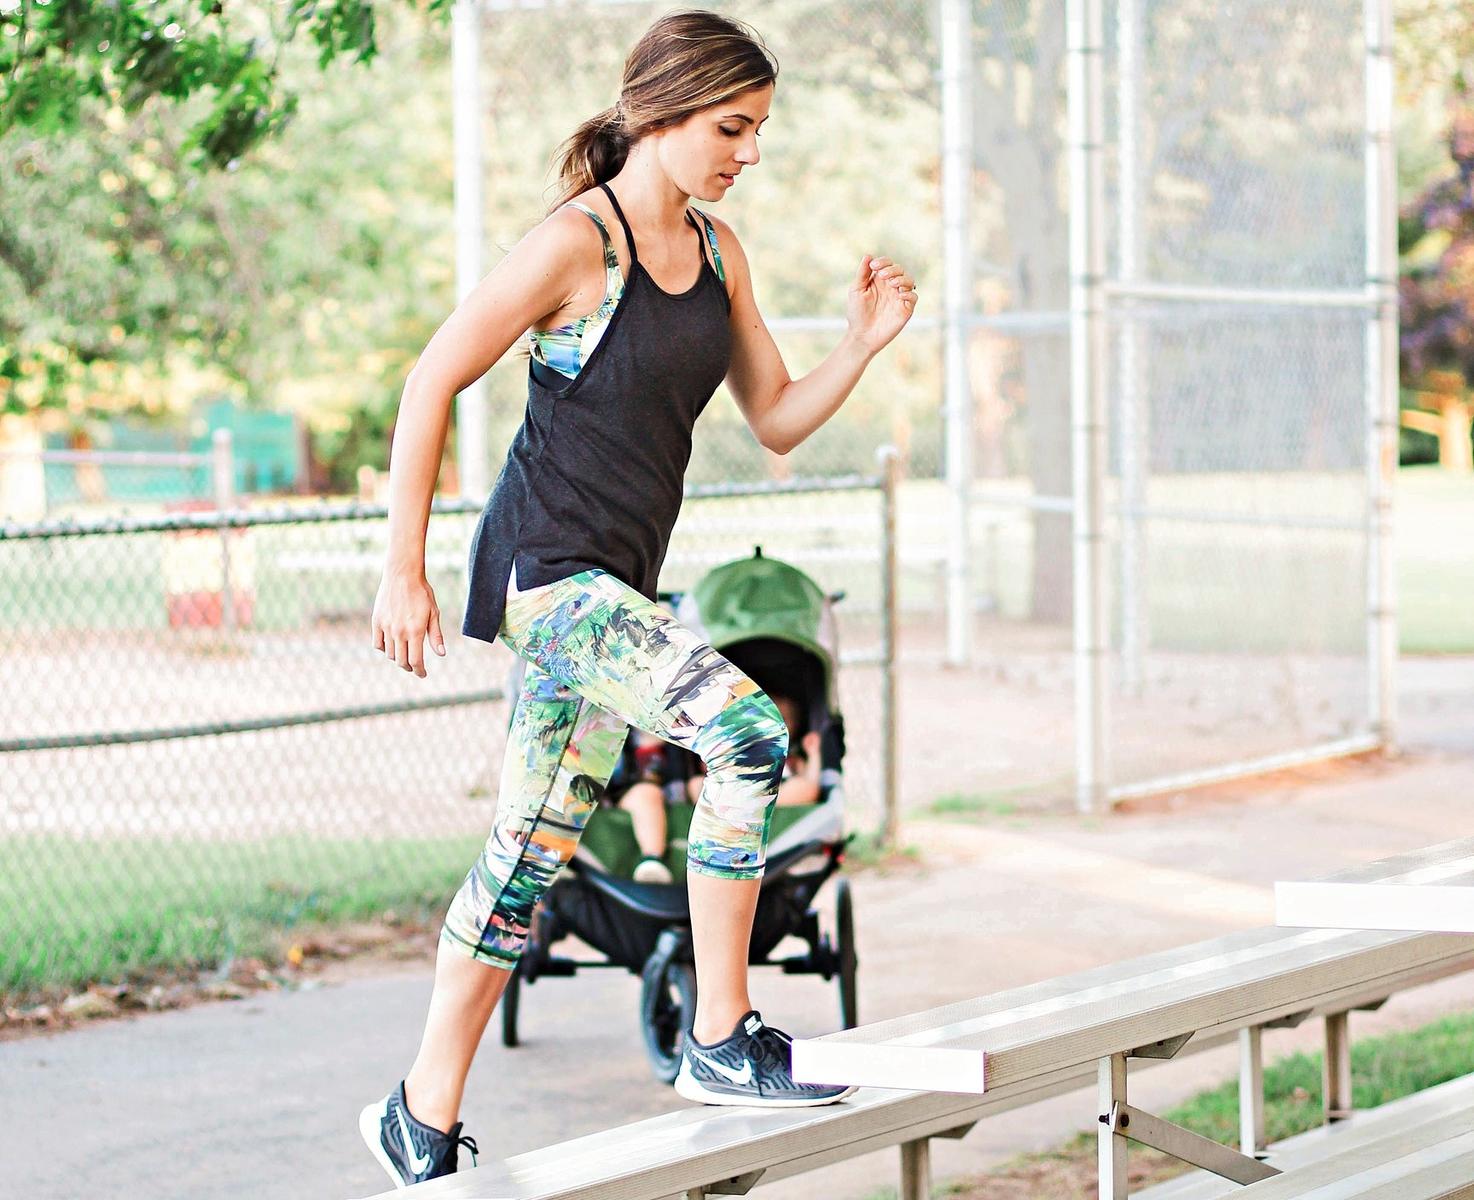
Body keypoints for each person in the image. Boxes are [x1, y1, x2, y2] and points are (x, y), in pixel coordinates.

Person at [361, 8, 916, 1187]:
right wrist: (401, 565)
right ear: (660, 110)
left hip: (612, 592)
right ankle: (719, 1036)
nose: (748, 152)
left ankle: (417, 1113)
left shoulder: (717, 255)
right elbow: (429, 378)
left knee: (525, 861)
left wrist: (862, 346)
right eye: (731, 127)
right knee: (748, 731)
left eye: (758, 130)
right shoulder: (576, 244)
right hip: (544, 578)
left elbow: (771, 420)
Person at [619, 690, 823, 885]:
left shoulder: (791, 758)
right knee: (691, 786)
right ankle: (654, 856)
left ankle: (749, 805)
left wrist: (814, 753)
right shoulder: (736, 746)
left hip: (771, 792)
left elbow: (809, 783)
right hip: (730, 789)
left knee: (802, 787)